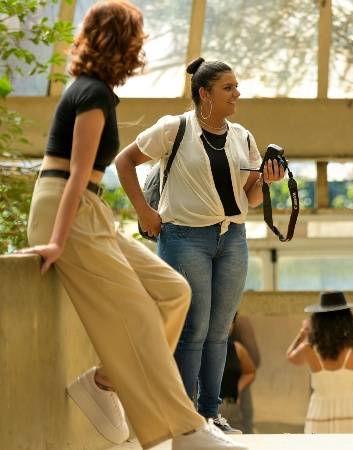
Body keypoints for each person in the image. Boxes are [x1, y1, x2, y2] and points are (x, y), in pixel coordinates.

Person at [16, 2, 245, 448]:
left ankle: (103, 381)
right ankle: (185, 430)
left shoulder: (94, 90)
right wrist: (57, 242)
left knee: (173, 292)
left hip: (86, 209)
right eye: (137, 39)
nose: (141, 48)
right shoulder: (92, 93)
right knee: (139, 313)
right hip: (67, 208)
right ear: (122, 43)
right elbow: (76, 173)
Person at [115, 57, 285, 433]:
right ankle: (184, 418)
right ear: (204, 94)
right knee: (193, 329)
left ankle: (210, 415)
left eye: (236, 87)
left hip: (233, 238)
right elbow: (124, 161)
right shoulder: (173, 128)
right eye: (228, 88)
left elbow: (251, 198)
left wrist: (266, 181)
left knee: (219, 331)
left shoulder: (243, 136)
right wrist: (144, 211)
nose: (237, 93)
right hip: (184, 237)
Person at [285, 291, 353, 434]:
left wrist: (301, 335)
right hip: (352, 412)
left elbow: (290, 357)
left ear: (317, 321)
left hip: (320, 414)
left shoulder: (308, 348)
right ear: (346, 320)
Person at [218, 314, 257, 433]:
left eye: (230, 322)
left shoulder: (237, 348)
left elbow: (250, 371)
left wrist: (238, 388)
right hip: (207, 411)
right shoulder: (199, 349)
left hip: (232, 409)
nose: (227, 326)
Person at [230, 313, 261, 434]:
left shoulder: (237, 347)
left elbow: (252, 366)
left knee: (244, 430)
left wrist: (237, 388)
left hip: (236, 391)